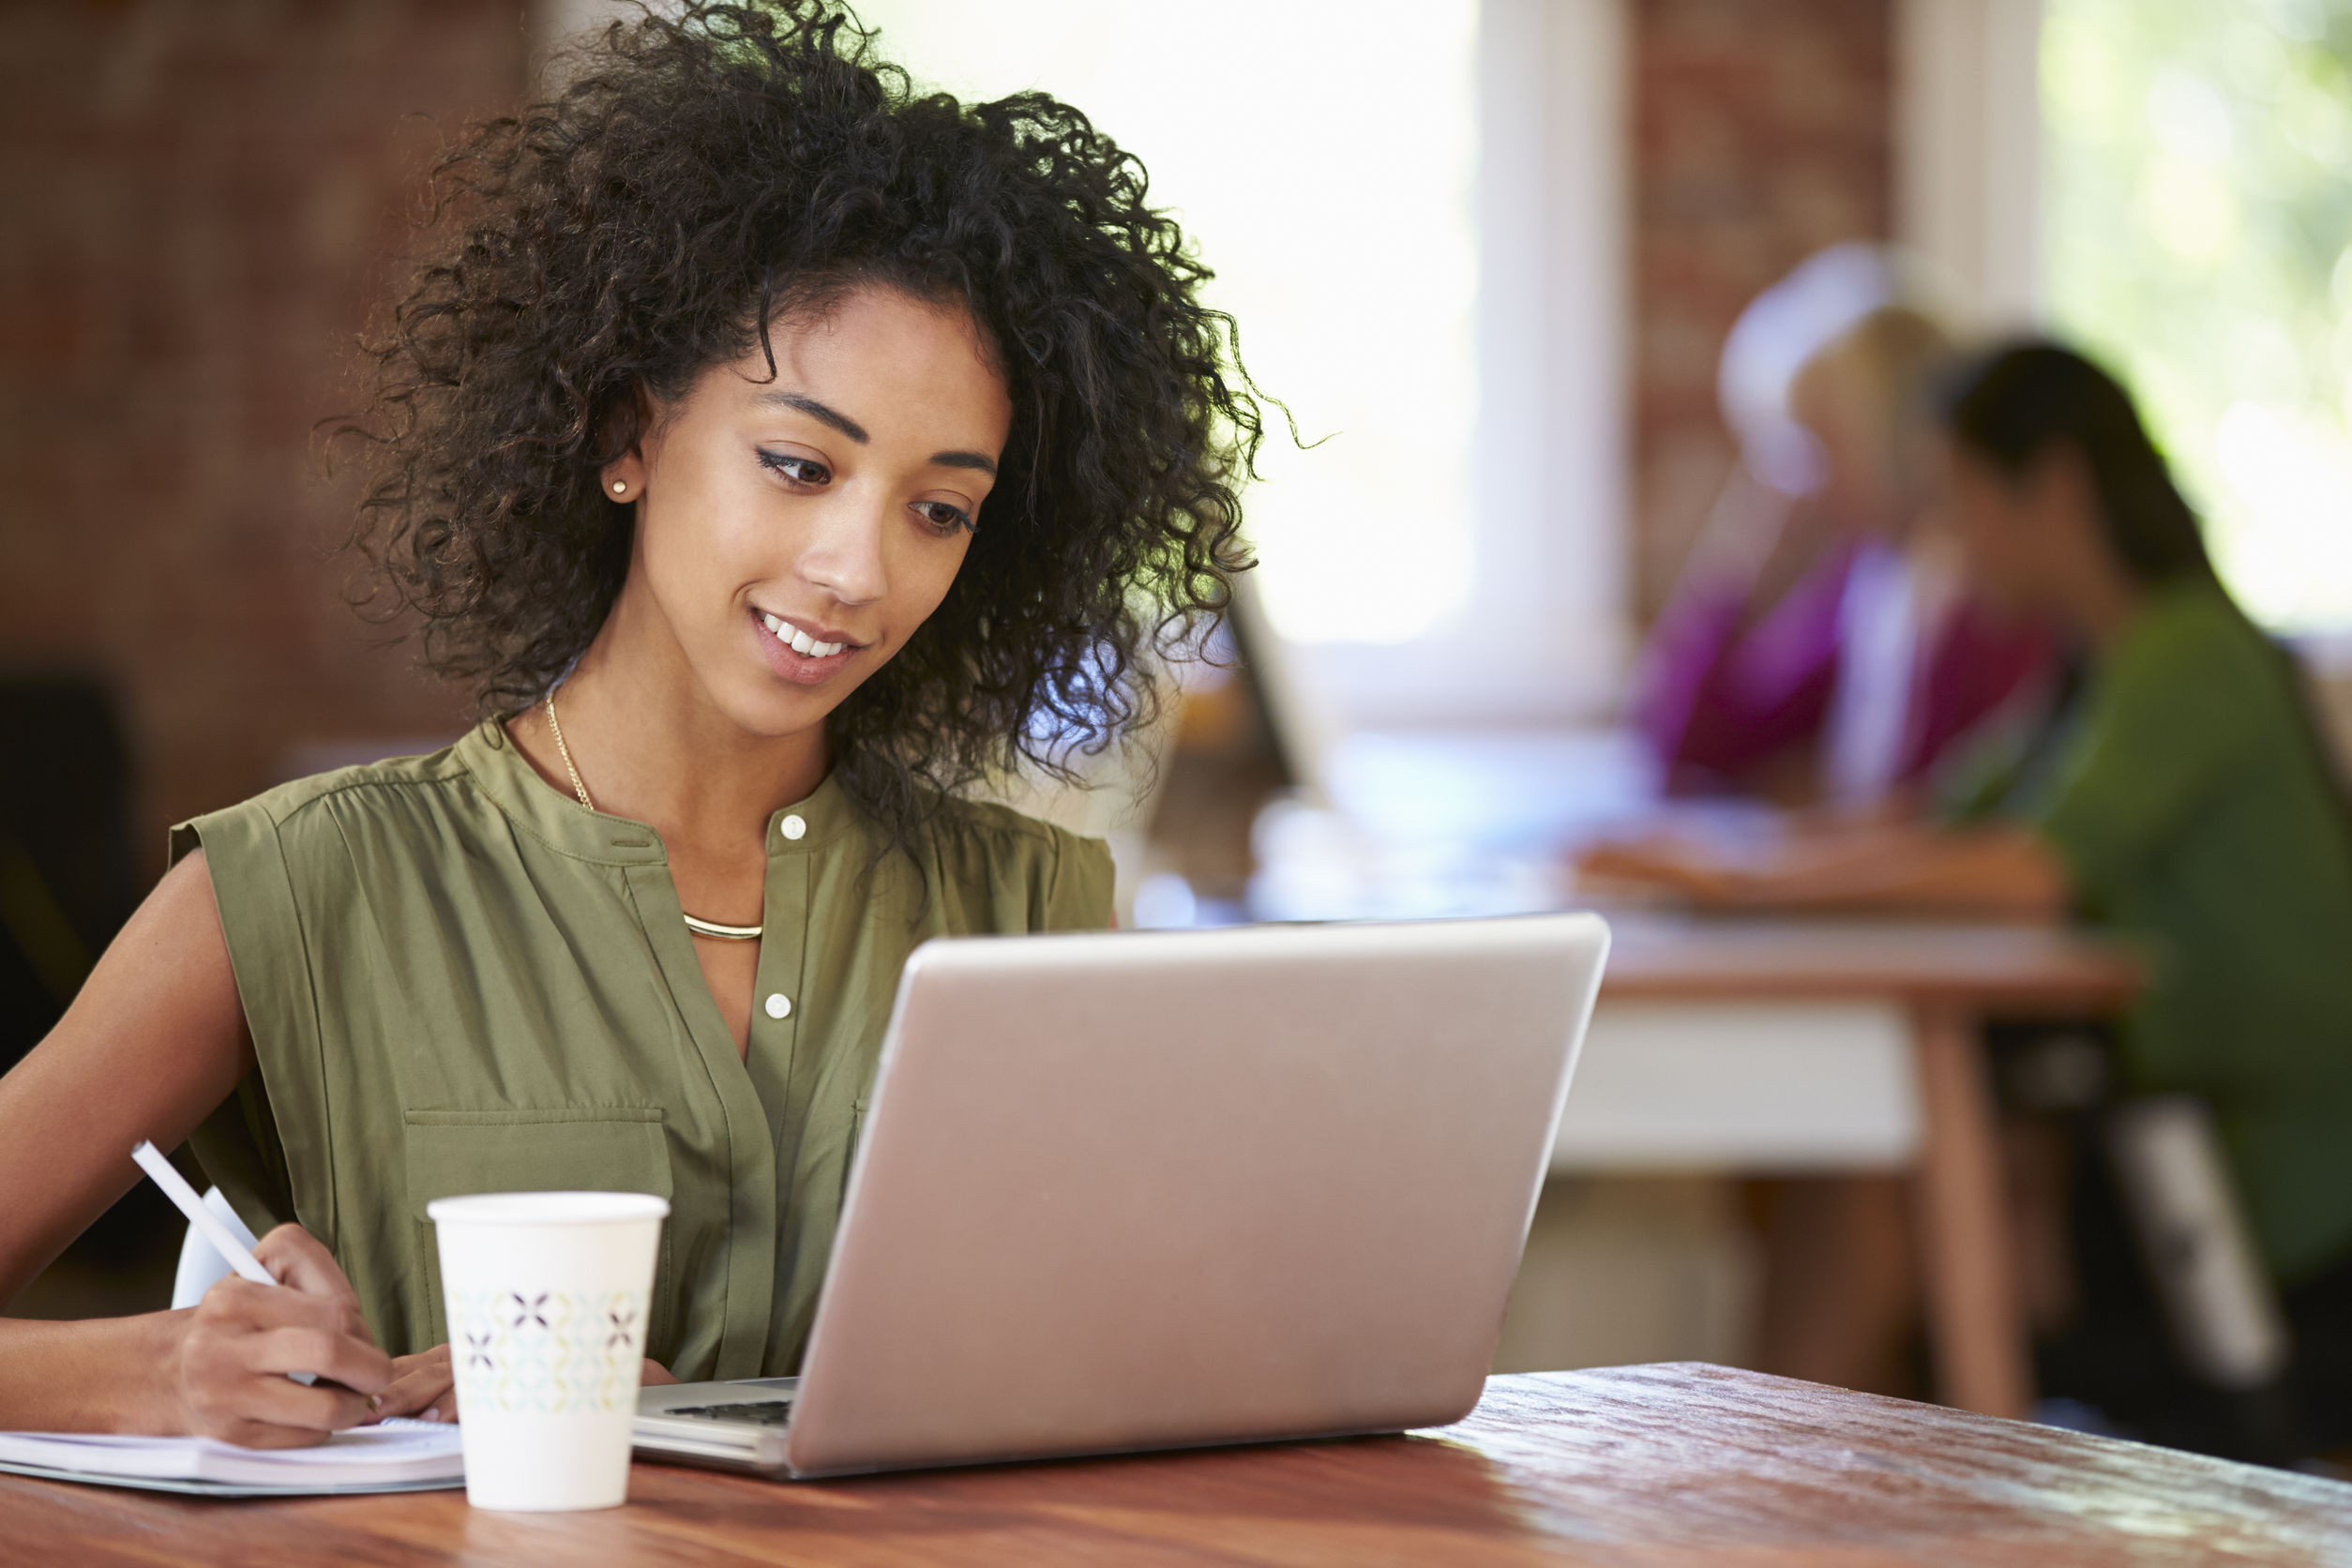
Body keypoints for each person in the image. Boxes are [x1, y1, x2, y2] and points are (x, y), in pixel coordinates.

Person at [0, 1, 1259, 1447]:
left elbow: (1118, 1377)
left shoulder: (1026, 909)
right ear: (627, 438)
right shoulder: (300, 890)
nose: (861, 569)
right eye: (798, 465)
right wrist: (161, 1378)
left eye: (939, 509)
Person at [1587, 342, 2352, 1446]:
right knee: (1857, 1151)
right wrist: (1727, 861)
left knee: (1877, 1171)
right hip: (2146, 1122)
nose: (1946, 535)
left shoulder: (2192, 654)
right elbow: (1933, 818)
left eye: (1963, 499)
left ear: (2055, 486)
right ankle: (1771, 1494)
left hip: (2265, 1169)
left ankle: (1758, 1502)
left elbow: (2032, 871)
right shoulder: (2090, 664)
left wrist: (1741, 886)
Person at [1634, 306, 2050, 807]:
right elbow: (1694, 745)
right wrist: (1738, 564)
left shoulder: (1994, 595)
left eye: (1822, 445)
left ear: (1897, 435)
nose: (1805, 484)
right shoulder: (1868, 579)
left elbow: (1950, 817)